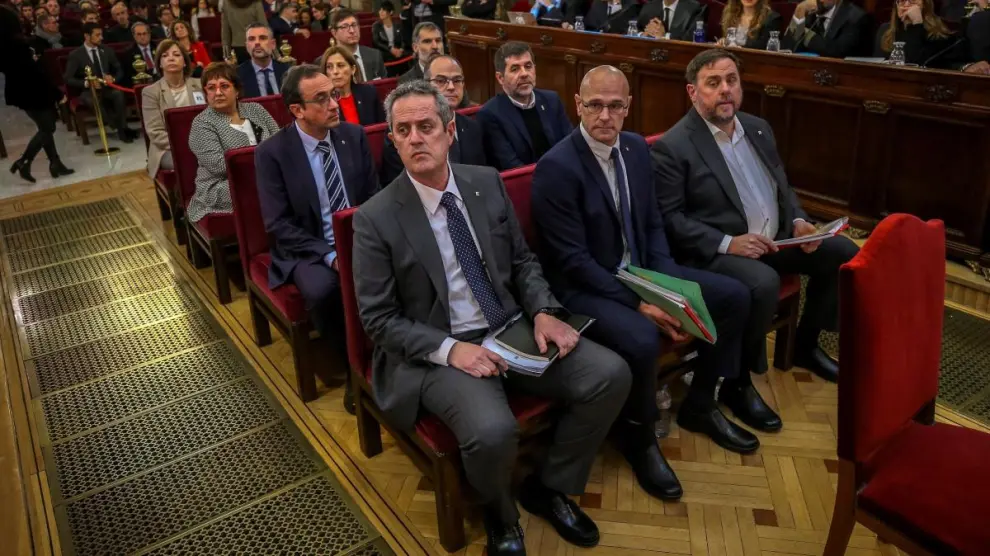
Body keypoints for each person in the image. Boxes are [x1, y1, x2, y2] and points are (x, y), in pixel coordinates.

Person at [352, 79, 631, 555]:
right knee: (492, 430)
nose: (416, 138)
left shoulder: (484, 182)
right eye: (403, 130)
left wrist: (544, 310)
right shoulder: (376, 218)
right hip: (439, 347)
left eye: (426, 126)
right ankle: (500, 515)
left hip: (509, 326)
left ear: (450, 131)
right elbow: (378, 319)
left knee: (610, 374)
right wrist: (452, 350)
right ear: (392, 140)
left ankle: (548, 487)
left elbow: (522, 262)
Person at [533, 66, 776, 501]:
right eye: (595, 105)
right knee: (643, 337)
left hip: (642, 273)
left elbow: (652, 225)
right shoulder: (557, 167)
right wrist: (640, 302)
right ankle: (639, 436)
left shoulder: (635, 149)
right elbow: (572, 261)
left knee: (735, 297)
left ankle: (701, 403)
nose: (604, 116)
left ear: (628, 107)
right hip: (586, 287)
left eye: (615, 106)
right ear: (578, 105)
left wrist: (666, 285)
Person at [652, 49, 860, 383]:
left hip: (774, 239)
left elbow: (782, 186)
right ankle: (740, 379)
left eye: (731, 80)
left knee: (843, 252)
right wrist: (728, 243)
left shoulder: (757, 127)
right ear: (693, 91)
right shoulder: (674, 147)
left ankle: (805, 344)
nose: (725, 90)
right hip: (720, 251)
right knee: (764, 282)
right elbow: (670, 219)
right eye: (713, 83)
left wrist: (798, 221)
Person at [256, 64, 379, 412]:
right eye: (322, 99)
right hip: (307, 248)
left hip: (360, 238)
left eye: (334, 94)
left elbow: (373, 196)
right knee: (325, 289)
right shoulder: (273, 153)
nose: (334, 104)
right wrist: (330, 254)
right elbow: (278, 224)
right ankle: (355, 368)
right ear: (297, 110)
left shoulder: (353, 136)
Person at [187, 62, 280, 223]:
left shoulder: (256, 110)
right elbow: (219, 166)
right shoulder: (202, 123)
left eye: (224, 86)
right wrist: (267, 167)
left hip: (266, 176)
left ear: (237, 90)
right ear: (206, 93)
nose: (218, 93)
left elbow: (280, 144)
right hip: (221, 186)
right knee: (266, 188)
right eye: (211, 88)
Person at [381, 54, 485, 184]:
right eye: (441, 81)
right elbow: (398, 187)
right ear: (426, 85)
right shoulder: (402, 133)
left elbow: (480, 177)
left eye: (457, 80)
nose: (451, 87)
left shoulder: (472, 127)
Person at [477, 42, 573, 171]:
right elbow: (511, 166)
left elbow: (570, 144)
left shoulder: (551, 100)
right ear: (500, 78)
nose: (524, 74)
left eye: (528, 66)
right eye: (515, 69)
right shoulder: (490, 114)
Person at [7, 10, 74, 183]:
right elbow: (37, 74)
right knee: (48, 128)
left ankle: (55, 162)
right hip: (35, 92)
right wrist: (58, 94)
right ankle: (24, 161)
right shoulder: (20, 46)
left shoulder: (8, 46)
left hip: (24, 92)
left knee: (45, 127)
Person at [64, 22, 136, 143]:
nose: (101, 38)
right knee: (92, 100)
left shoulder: (107, 50)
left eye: (101, 34)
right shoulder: (76, 55)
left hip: (107, 87)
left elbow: (119, 69)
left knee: (118, 94)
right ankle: (118, 126)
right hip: (88, 90)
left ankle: (122, 128)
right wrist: (87, 83)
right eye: (97, 35)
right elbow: (67, 78)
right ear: (87, 36)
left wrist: (113, 79)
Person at [142, 40, 205, 178]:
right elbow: (155, 132)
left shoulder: (200, 85)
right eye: (165, 56)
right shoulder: (151, 92)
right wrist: (187, 146)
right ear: (160, 63)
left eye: (176, 54)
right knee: (190, 161)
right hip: (167, 148)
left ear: (185, 62)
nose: (171, 58)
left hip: (203, 143)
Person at [874, 0, 980, 70]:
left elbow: (915, 64)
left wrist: (916, 24)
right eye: (901, 1)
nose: (906, 5)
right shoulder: (885, 31)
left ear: (925, 4)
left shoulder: (939, 34)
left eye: (912, 0)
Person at [320, 45, 385, 125]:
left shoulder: (369, 93)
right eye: (329, 67)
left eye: (340, 65)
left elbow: (382, 127)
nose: (335, 71)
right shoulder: (323, 102)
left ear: (353, 69)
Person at [781, 0, 871, 58]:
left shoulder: (855, 18)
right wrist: (798, 13)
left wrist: (806, 34)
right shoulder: (809, 14)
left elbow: (838, 53)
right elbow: (786, 50)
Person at [329, 8, 386, 81]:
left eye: (354, 25)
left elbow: (383, 86)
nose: (352, 31)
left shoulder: (375, 55)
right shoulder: (326, 62)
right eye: (345, 26)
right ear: (334, 33)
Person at [236, 23, 290, 97]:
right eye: (251, 39)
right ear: (246, 46)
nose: (257, 43)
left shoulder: (287, 71)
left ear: (273, 44)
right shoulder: (237, 76)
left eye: (262, 38)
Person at [637, 0, 706, 41]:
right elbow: (634, 28)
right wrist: (643, 35)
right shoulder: (649, 6)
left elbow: (691, 37)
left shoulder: (694, 8)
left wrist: (664, 36)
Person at [121, 21, 159, 86]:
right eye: (139, 34)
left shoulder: (158, 47)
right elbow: (129, 76)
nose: (142, 37)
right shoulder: (128, 53)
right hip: (143, 84)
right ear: (134, 36)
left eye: (144, 33)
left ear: (149, 34)